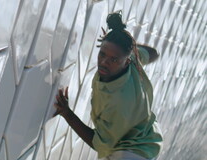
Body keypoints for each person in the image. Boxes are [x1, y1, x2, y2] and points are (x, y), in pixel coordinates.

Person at [54, 11, 163, 160]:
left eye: (113, 60)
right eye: (102, 54)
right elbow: (154, 53)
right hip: (146, 139)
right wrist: (129, 48)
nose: (104, 62)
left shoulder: (119, 102)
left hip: (132, 153)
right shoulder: (132, 59)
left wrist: (67, 113)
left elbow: (98, 143)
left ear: (127, 61)